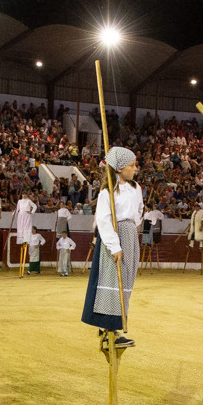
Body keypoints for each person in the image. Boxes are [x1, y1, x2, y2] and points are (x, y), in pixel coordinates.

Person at [81, 147, 144, 346]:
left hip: (130, 234)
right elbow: (103, 219)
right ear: (119, 168)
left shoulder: (136, 188)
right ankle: (107, 330)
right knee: (112, 279)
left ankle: (116, 327)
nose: (135, 168)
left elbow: (139, 210)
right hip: (114, 238)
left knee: (125, 281)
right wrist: (114, 245)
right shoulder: (107, 192)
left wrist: (131, 229)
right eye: (131, 165)